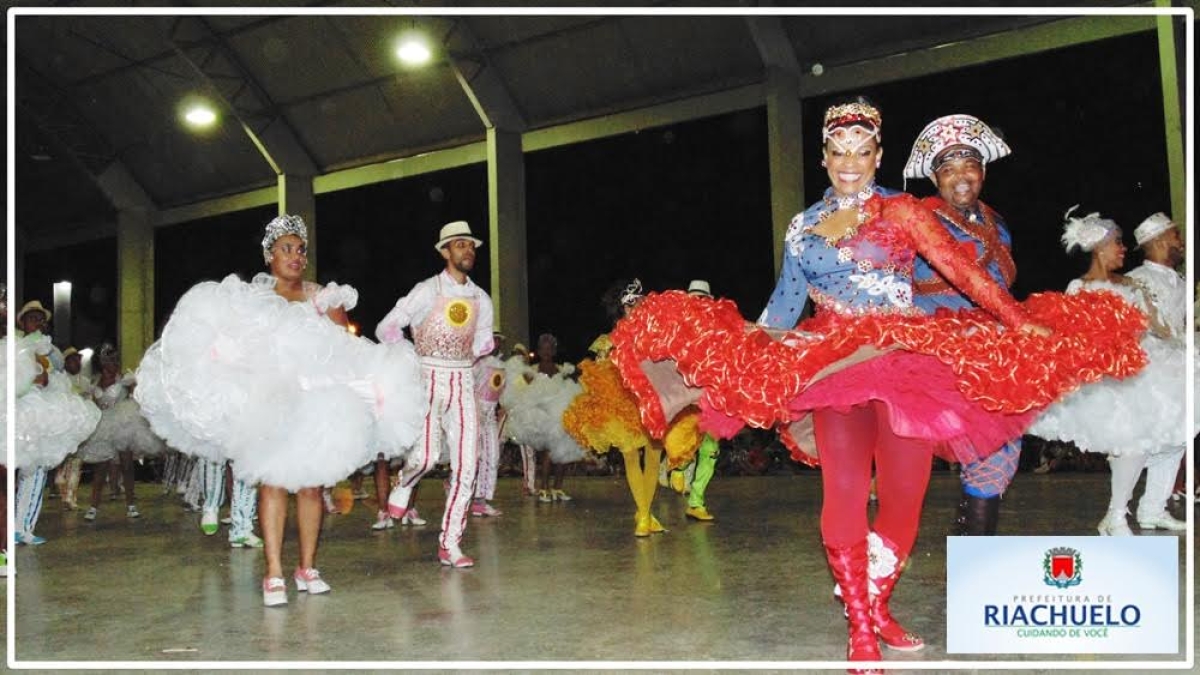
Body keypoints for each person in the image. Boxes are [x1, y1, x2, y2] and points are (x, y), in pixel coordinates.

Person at [607, 98, 1146, 669]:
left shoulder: (903, 211)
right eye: (839, 153)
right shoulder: (802, 226)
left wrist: (1019, 321)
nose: (850, 164)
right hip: (832, 367)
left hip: (904, 361)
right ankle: (860, 628)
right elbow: (784, 307)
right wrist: (741, 354)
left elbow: (963, 274)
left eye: (862, 153)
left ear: (878, 156)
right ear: (823, 157)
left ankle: (877, 603)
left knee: (904, 502)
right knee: (843, 489)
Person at [136, 214, 424, 605]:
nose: (295, 256)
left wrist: (367, 387)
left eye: (300, 249)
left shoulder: (325, 298)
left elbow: (347, 351)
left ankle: (306, 567)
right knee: (272, 481)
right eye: (286, 248)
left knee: (310, 486)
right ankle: (273, 572)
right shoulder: (254, 298)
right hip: (271, 403)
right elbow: (236, 345)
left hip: (315, 403)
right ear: (269, 255)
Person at [1031, 209, 1187, 535]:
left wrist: (1181, 340)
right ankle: (1115, 517)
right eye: (1117, 243)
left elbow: (1155, 327)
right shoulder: (1080, 287)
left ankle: (1136, 512)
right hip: (1105, 378)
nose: (1123, 249)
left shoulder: (1131, 285)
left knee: (1169, 437)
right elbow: (1070, 335)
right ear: (1101, 247)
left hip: (1135, 371)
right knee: (1133, 443)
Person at [903, 113, 1021, 536]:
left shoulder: (998, 224)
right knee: (904, 467)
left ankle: (973, 547)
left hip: (991, 351)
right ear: (935, 178)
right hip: (933, 354)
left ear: (983, 170)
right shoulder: (918, 219)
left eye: (968, 164)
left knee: (1001, 450)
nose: (960, 176)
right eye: (947, 168)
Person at [378, 220, 495, 568]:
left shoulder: (481, 298)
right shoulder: (427, 290)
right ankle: (405, 480)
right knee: (427, 456)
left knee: (467, 465)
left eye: (470, 245)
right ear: (445, 251)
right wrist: (405, 351)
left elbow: (482, 340)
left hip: (463, 382)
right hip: (427, 377)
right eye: (460, 245)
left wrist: (482, 345)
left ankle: (450, 543)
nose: (468, 251)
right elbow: (387, 325)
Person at [471, 332, 507, 517]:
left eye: (499, 340)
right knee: (472, 456)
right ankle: (455, 483)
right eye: (493, 339)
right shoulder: (476, 362)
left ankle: (480, 500)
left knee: (492, 455)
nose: (496, 343)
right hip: (474, 414)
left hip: (490, 415)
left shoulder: (501, 364)